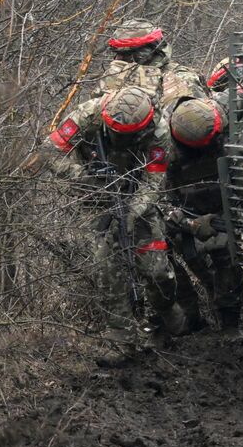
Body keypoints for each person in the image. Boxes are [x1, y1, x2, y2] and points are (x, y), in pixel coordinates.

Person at [39, 87, 190, 349]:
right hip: (96, 199)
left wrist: (132, 212)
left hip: (137, 197)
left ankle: (163, 317)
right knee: (105, 267)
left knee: (157, 271)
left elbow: (154, 180)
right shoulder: (89, 113)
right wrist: (83, 177)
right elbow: (49, 151)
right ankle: (122, 336)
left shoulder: (158, 130)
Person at [163, 97, 243, 333]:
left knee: (229, 263)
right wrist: (190, 224)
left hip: (222, 205)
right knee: (162, 264)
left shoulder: (223, 112)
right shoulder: (160, 145)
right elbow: (154, 202)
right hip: (182, 213)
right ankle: (189, 319)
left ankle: (231, 326)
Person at [99, 18, 206, 108]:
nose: (118, 59)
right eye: (118, 54)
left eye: (126, 54)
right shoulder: (116, 76)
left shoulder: (181, 79)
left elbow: (191, 125)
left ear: (150, 50)